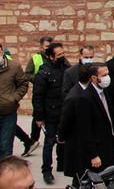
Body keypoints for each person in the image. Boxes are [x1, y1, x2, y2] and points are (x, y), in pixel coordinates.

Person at [32, 42, 70, 184]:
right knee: (49, 142)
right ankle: (47, 171)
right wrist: (39, 117)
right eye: (59, 54)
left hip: (64, 111)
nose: (62, 56)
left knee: (64, 140)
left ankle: (62, 163)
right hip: (51, 113)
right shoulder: (44, 72)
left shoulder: (66, 68)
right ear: (51, 57)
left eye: (63, 53)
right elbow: (38, 96)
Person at [77, 63, 114, 174]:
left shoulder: (105, 91)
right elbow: (85, 129)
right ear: (94, 78)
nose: (107, 77)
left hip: (109, 144)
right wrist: (93, 155)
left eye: (108, 74)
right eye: (104, 75)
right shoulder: (85, 98)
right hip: (98, 149)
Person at [58, 63, 92, 187]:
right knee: (80, 176)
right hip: (78, 143)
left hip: (87, 143)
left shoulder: (91, 93)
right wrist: (61, 137)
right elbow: (66, 120)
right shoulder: (74, 96)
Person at [24, 36, 52, 149]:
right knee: (38, 116)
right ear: (41, 47)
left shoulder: (55, 57)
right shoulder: (35, 58)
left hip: (52, 91)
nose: (48, 49)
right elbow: (27, 74)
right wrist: (38, 79)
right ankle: (33, 139)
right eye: (46, 47)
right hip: (40, 91)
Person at [0, 46, 29, 158]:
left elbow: (23, 84)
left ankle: (6, 174)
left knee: (5, 148)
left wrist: (14, 98)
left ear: (2, 51)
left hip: (8, 112)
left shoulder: (14, 67)